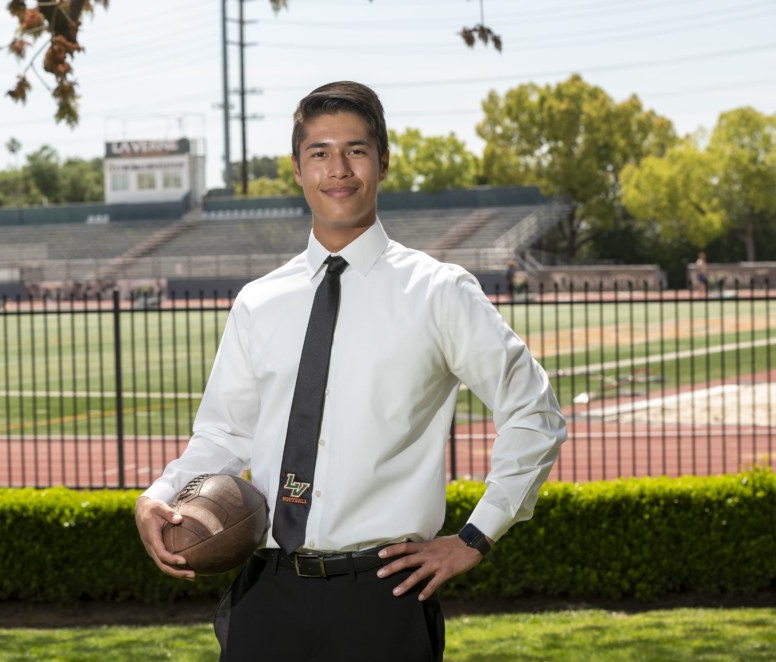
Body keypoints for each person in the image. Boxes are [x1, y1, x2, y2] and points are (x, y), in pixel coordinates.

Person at [135, 81, 567, 661]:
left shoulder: (437, 292)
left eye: (356, 150)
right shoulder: (259, 301)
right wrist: (159, 495)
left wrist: (475, 537)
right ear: (297, 168)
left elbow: (533, 411)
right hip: (265, 594)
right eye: (320, 153)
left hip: (382, 598)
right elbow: (222, 433)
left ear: (382, 161)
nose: (338, 169)